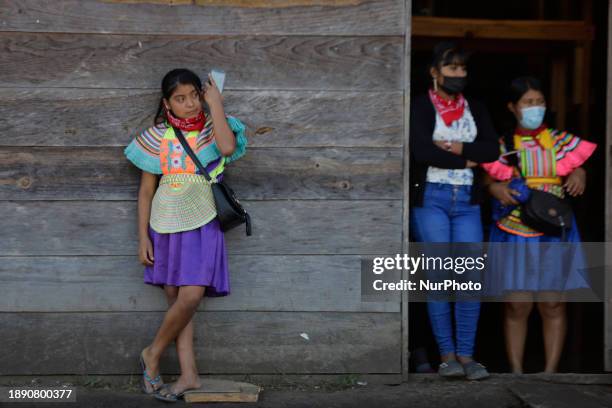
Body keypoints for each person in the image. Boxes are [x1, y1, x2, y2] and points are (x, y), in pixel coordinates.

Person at [123, 68, 247, 401]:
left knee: (191, 296)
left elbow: (226, 147)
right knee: (178, 302)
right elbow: (146, 193)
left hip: (203, 218)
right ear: (167, 104)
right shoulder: (155, 139)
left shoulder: (211, 129)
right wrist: (142, 238)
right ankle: (189, 375)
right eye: (180, 98)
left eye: (194, 95)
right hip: (164, 222)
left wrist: (215, 104)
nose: (190, 103)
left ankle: (152, 353)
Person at [482, 76, 596, 373]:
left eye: (540, 102)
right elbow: (487, 178)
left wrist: (579, 172)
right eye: (528, 103)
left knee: (553, 305)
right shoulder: (503, 144)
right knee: (517, 306)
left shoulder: (561, 141)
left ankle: (549, 374)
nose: (536, 108)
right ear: (512, 107)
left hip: (554, 230)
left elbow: (574, 167)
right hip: (516, 230)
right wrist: (493, 188)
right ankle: (517, 373)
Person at [409, 41, 499, 380]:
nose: (458, 75)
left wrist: (458, 147)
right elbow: (421, 152)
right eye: (451, 68)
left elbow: (491, 150)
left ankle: (467, 356)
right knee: (438, 278)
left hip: (467, 202)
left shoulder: (475, 107)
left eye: (462, 69)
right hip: (431, 197)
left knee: (470, 279)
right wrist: (465, 158)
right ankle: (446, 356)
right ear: (434, 72)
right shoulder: (419, 106)